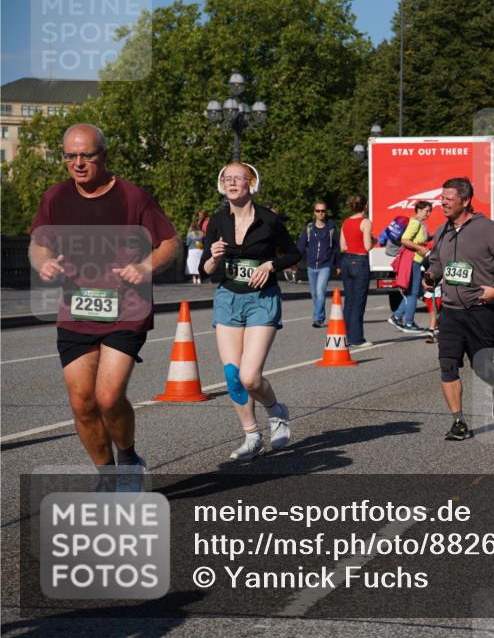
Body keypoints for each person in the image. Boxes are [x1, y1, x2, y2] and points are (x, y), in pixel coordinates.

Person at [29, 123, 179, 483]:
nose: (78, 163)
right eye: (70, 156)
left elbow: (170, 243)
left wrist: (145, 267)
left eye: (86, 155)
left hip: (126, 309)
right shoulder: (55, 198)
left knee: (109, 397)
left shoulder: (133, 197)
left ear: (104, 156)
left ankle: (127, 459)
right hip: (76, 310)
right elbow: (38, 243)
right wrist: (44, 261)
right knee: (82, 403)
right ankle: (107, 475)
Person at [200, 162, 300, 460]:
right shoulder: (217, 222)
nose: (232, 183)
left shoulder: (269, 221)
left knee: (250, 377)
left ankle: (276, 411)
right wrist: (214, 258)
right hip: (228, 298)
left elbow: (294, 253)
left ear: (251, 183)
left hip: (261, 299)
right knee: (232, 376)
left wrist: (272, 264)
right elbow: (204, 269)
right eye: (226, 179)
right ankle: (251, 436)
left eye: (238, 179)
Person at [423, 177, 494, 441]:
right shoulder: (442, 230)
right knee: (447, 365)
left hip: (480, 309)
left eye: (448, 198)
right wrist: (431, 275)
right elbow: (436, 263)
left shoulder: (486, 228)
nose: (442, 202)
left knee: (482, 367)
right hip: (451, 311)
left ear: (465, 201)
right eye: (442, 198)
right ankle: (459, 421)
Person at [389, 200, 432, 334]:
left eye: (430, 211)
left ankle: (396, 316)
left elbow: (419, 239)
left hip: (417, 261)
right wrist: (420, 248)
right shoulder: (415, 222)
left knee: (416, 292)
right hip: (412, 261)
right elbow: (405, 240)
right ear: (418, 210)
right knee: (413, 293)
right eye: (426, 211)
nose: (428, 214)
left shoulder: (421, 223)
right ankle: (408, 322)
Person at [297, 200, 339, 328]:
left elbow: (337, 248)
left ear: (326, 213)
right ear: (314, 212)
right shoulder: (308, 228)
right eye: (318, 211)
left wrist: (338, 265)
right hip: (311, 266)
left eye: (323, 211)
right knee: (314, 294)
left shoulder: (331, 228)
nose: (320, 213)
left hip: (324, 266)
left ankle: (318, 318)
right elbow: (300, 246)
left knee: (320, 292)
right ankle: (320, 315)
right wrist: (294, 262)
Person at [340, 195, 374, 347]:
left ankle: (346, 336)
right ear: (365, 205)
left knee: (349, 300)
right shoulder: (365, 222)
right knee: (359, 301)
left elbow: (343, 246)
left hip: (346, 260)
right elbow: (367, 246)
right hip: (360, 262)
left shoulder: (346, 222)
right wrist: (375, 240)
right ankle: (357, 338)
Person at [186, 215, 206, 284]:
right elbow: (204, 241)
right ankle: (199, 279)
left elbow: (187, 243)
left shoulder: (190, 234)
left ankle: (194, 279)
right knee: (199, 263)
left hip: (192, 250)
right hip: (200, 250)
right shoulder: (202, 233)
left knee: (193, 264)